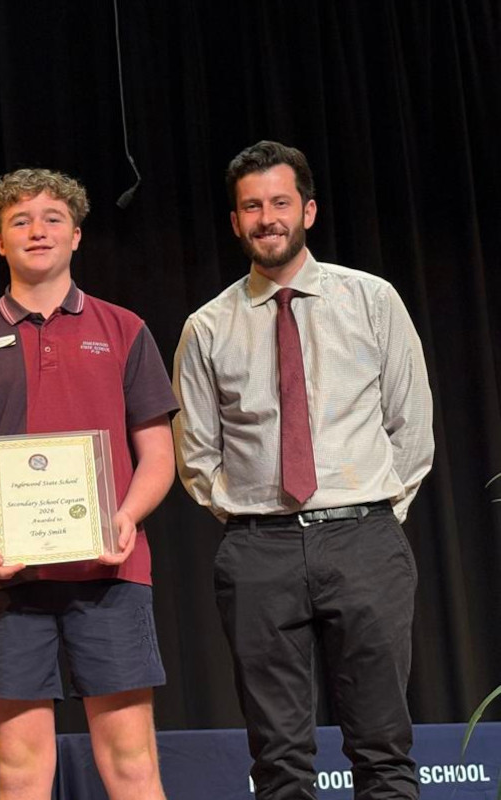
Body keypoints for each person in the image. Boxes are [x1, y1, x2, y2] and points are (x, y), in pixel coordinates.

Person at [172, 140, 434, 799]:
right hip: (259, 547)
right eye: (251, 206)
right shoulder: (206, 327)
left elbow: (411, 424)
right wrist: (253, 516)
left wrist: (373, 512)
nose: (267, 218)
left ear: (308, 211)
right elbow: (197, 454)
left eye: (280, 203)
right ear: (236, 222)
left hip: (363, 538)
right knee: (279, 757)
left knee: (383, 745)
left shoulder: (371, 301)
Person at [0, 168, 177, 799]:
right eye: (19, 221)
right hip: (7, 580)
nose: (38, 230)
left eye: (52, 218)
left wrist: (128, 515)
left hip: (109, 575)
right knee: (21, 772)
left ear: (78, 236)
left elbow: (160, 454)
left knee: (133, 765)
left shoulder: (124, 329)